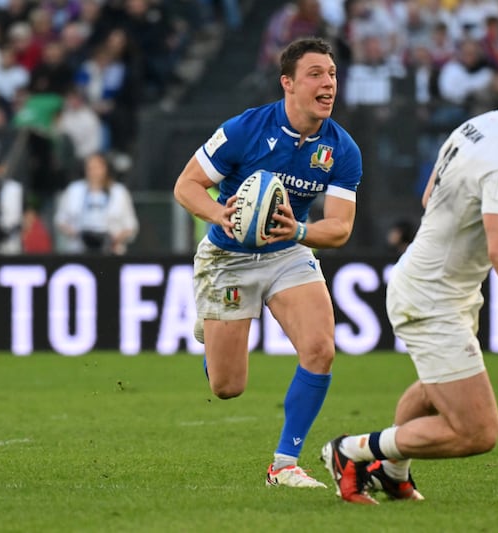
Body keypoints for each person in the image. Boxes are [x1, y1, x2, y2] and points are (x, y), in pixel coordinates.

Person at [321, 58, 498, 505]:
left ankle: (393, 473)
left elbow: (432, 195)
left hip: (433, 286)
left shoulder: (475, 127)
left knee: (436, 392)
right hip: (432, 296)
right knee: (478, 431)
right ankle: (351, 450)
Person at [172, 37, 362, 489]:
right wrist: (221, 213)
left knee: (320, 349)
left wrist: (297, 231)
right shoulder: (245, 129)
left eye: (332, 74)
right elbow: (187, 185)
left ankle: (284, 465)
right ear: (288, 83)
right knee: (227, 386)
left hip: (287, 251)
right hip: (228, 257)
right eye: (316, 74)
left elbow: (338, 228)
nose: (328, 83)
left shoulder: (342, 149)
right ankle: (213, 334)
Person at [53, 152, 139, 255]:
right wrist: (77, 235)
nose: (93, 172)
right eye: (90, 168)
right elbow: (60, 220)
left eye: (97, 167)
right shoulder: (74, 190)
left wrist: (113, 239)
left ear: (106, 168)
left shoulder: (119, 192)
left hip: (112, 253)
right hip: (78, 252)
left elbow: (131, 226)